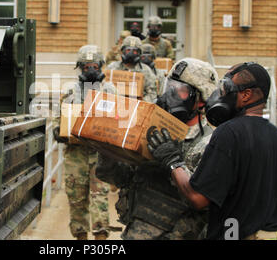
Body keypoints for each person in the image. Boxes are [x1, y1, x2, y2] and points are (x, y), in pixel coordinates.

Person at [149, 62, 277, 240]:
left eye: (226, 88)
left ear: (246, 95)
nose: (220, 95)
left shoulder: (228, 134)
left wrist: (172, 160)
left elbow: (197, 198)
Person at [96, 58, 219, 240]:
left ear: (201, 100)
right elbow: (120, 178)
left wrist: (173, 162)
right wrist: (107, 151)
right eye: (169, 86)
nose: (171, 94)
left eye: (181, 90)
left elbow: (203, 205)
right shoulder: (152, 130)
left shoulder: (209, 144)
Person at [52, 45, 115, 240]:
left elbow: (119, 120)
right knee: (76, 199)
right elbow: (59, 118)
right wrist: (58, 131)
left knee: (100, 200)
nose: (91, 70)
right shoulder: (70, 90)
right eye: (86, 66)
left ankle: (101, 239)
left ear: (101, 66)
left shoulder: (110, 90)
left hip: (101, 155)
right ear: (80, 67)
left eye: (94, 65)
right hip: (75, 156)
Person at [106, 36, 157, 103]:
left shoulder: (146, 70)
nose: (131, 53)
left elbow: (152, 93)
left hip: (138, 108)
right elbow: (104, 89)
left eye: (135, 51)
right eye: (128, 50)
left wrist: (142, 102)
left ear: (139, 53)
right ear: (122, 51)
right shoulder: (112, 68)